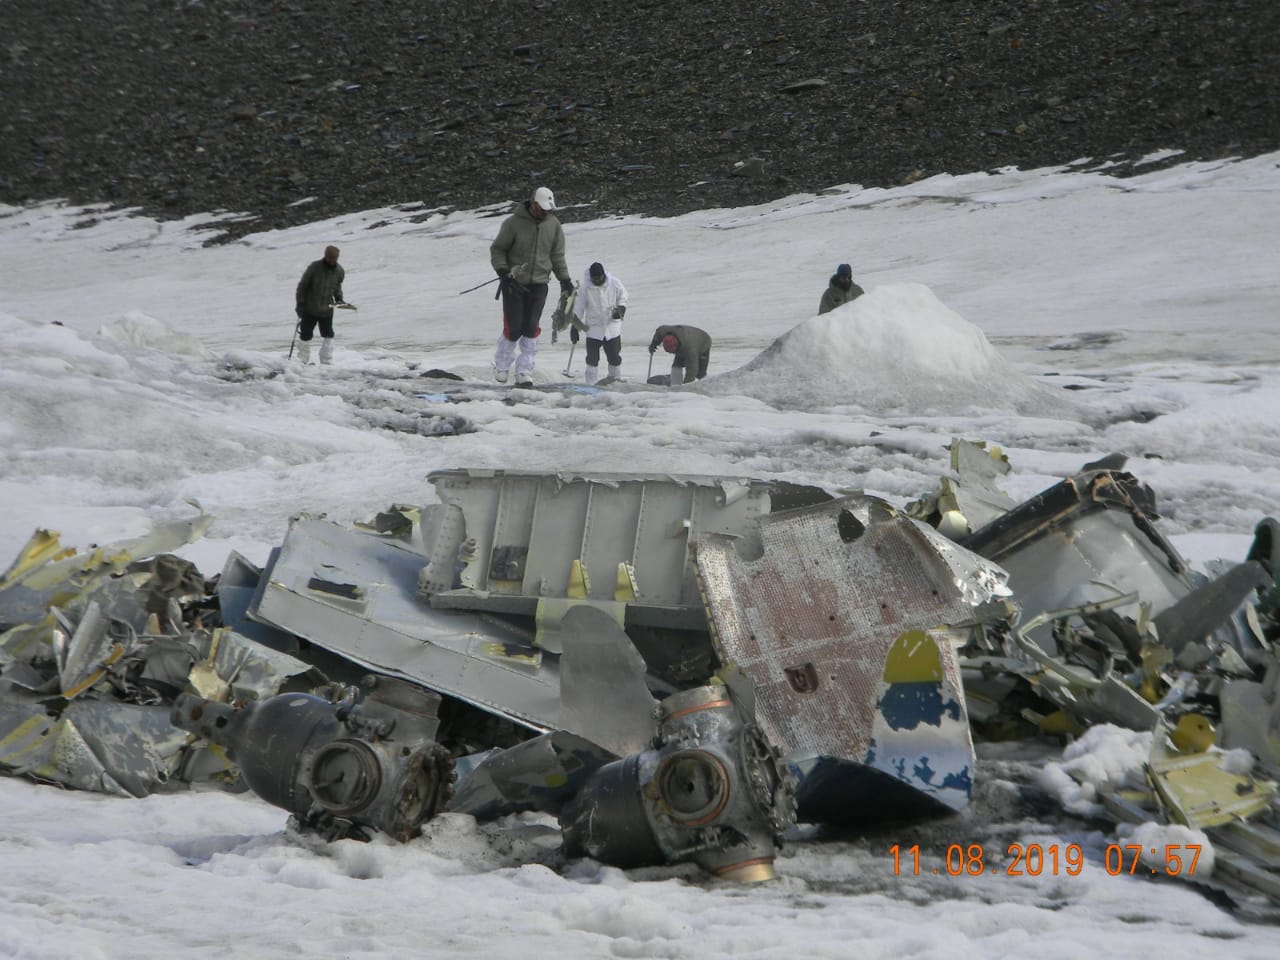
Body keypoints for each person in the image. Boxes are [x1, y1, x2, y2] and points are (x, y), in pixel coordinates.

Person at [489, 186, 573, 386]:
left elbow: (557, 256)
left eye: (548, 210)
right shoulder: (513, 224)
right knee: (514, 327)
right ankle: (501, 365)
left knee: (530, 328)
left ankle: (524, 371)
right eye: (542, 208)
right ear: (534, 204)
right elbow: (498, 250)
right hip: (514, 283)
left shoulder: (553, 226)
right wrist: (503, 272)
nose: (545, 212)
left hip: (539, 284)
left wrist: (565, 280)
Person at [571, 261, 628, 384]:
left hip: (612, 326)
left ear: (604, 275)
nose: (596, 281)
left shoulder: (614, 282)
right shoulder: (585, 287)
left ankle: (615, 381)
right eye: (594, 278)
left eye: (599, 278)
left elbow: (622, 297)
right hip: (593, 327)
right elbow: (579, 308)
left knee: (614, 357)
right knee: (592, 359)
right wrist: (575, 327)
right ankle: (591, 384)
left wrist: (621, 309)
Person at [294, 245, 347, 364]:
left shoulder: (339, 271)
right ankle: (303, 360)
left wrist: (339, 298)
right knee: (305, 335)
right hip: (309, 308)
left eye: (333, 258)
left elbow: (337, 287)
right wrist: (300, 304)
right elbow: (302, 286)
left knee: (328, 334)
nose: (330, 260)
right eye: (329, 257)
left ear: (337, 258)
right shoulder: (314, 267)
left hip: (327, 309)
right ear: (325, 255)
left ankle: (326, 360)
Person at [647, 324, 712, 385]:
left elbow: (692, 370)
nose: (671, 353)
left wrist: (686, 387)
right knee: (676, 365)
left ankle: (703, 388)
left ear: (676, 345)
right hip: (685, 339)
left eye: (672, 351)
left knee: (700, 374)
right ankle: (675, 386)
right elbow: (658, 333)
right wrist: (653, 344)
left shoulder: (691, 349)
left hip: (704, 341)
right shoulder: (663, 331)